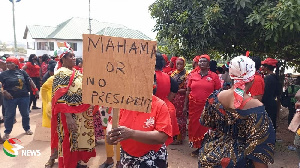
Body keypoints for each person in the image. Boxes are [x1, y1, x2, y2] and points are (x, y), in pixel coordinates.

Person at [198, 56, 275, 168]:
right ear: (252, 77)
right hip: (238, 162)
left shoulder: (215, 97)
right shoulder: (256, 108)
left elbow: (207, 121)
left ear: (231, 75)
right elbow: (259, 150)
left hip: (211, 157)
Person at [51, 44, 96, 168]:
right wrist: (68, 116)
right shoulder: (61, 73)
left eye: (74, 56)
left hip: (80, 112)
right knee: (69, 140)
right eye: (70, 56)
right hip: (69, 114)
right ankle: (69, 164)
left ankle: (75, 163)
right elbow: (59, 97)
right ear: (63, 59)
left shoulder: (75, 71)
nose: (74, 58)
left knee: (77, 140)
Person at [106, 94, 172, 167]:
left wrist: (132, 134)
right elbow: (112, 123)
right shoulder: (125, 103)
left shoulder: (159, 105)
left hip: (152, 159)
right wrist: (110, 133)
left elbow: (162, 137)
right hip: (127, 158)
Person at [183, 54, 221, 156]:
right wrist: (185, 105)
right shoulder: (193, 75)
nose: (202, 63)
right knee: (195, 127)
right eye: (200, 61)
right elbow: (188, 91)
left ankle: (206, 148)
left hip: (208, 108)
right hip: (194, 107)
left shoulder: (214, 76)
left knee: (206, 127)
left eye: (204, 61)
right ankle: (198, 148)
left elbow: (218, 92)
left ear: (208, 64)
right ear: (197, 63)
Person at [0, 56, 39, 140]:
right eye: (7, 63)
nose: (9, 64)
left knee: (25, 114)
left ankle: (27, 128)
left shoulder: (22, 72)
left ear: (16, 63)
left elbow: (29, 80)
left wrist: (35, 89)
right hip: (10, 98)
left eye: (11, 62)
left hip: (23, 97)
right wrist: (4, 92)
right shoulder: (3, 74)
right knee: (9, 115)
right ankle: (7, 132)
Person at [155, 53, 179, 146]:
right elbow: (175, 89)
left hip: (152, 107)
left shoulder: (150, 76)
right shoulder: (168, 77)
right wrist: (166, 100)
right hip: (167, 106)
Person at [170, 57, 189, 145]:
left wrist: (175, 90)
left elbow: (187, 89)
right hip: (173, 98)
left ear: (184, 64)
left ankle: (180, 138)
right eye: (177, 64)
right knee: (173, 117)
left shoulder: (186, 75)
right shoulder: (173, 73)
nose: (179, 65)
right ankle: (173, 136)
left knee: (180, 119)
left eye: (181, 64)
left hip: (181, 99)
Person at [261, 58, 280, 131]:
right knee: (272, 122)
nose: (262, 68)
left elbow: (265, 93)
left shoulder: (268, 78)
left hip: (267, 104)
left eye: (263, 66)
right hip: (272, 103)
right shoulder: (275, 77)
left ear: (266, 68)